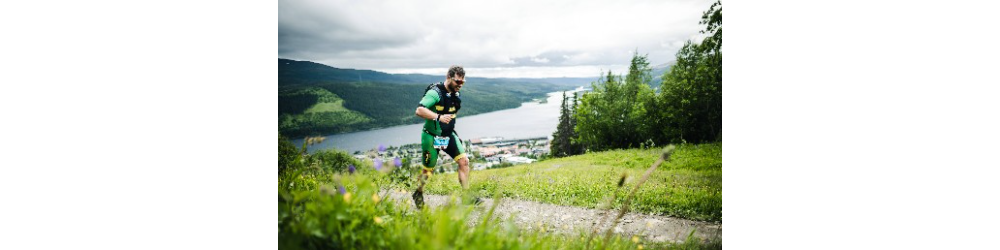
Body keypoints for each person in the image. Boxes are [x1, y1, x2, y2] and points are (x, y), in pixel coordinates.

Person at [412, 65, 471, 207]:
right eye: (457, 81)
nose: (460, 85)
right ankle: (418, 193)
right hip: (431, 137)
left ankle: (467, 197)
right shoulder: (435, 93)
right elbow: (419, 110)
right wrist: (438, 117)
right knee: (428, 171)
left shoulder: (456, 93)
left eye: (463, 82)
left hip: (448, 136)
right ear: (448, 77)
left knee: (464, 162)